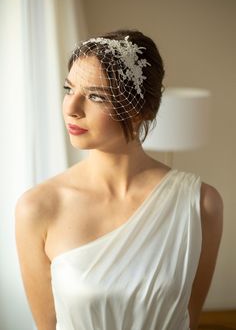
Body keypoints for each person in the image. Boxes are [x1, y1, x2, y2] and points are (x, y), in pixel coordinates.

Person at [15, 29, 223, 330]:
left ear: (140, 111)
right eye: (69, 89)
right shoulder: (37, 208)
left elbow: (188, 317)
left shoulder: (201, 204)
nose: (71, 109)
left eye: (95, 96)